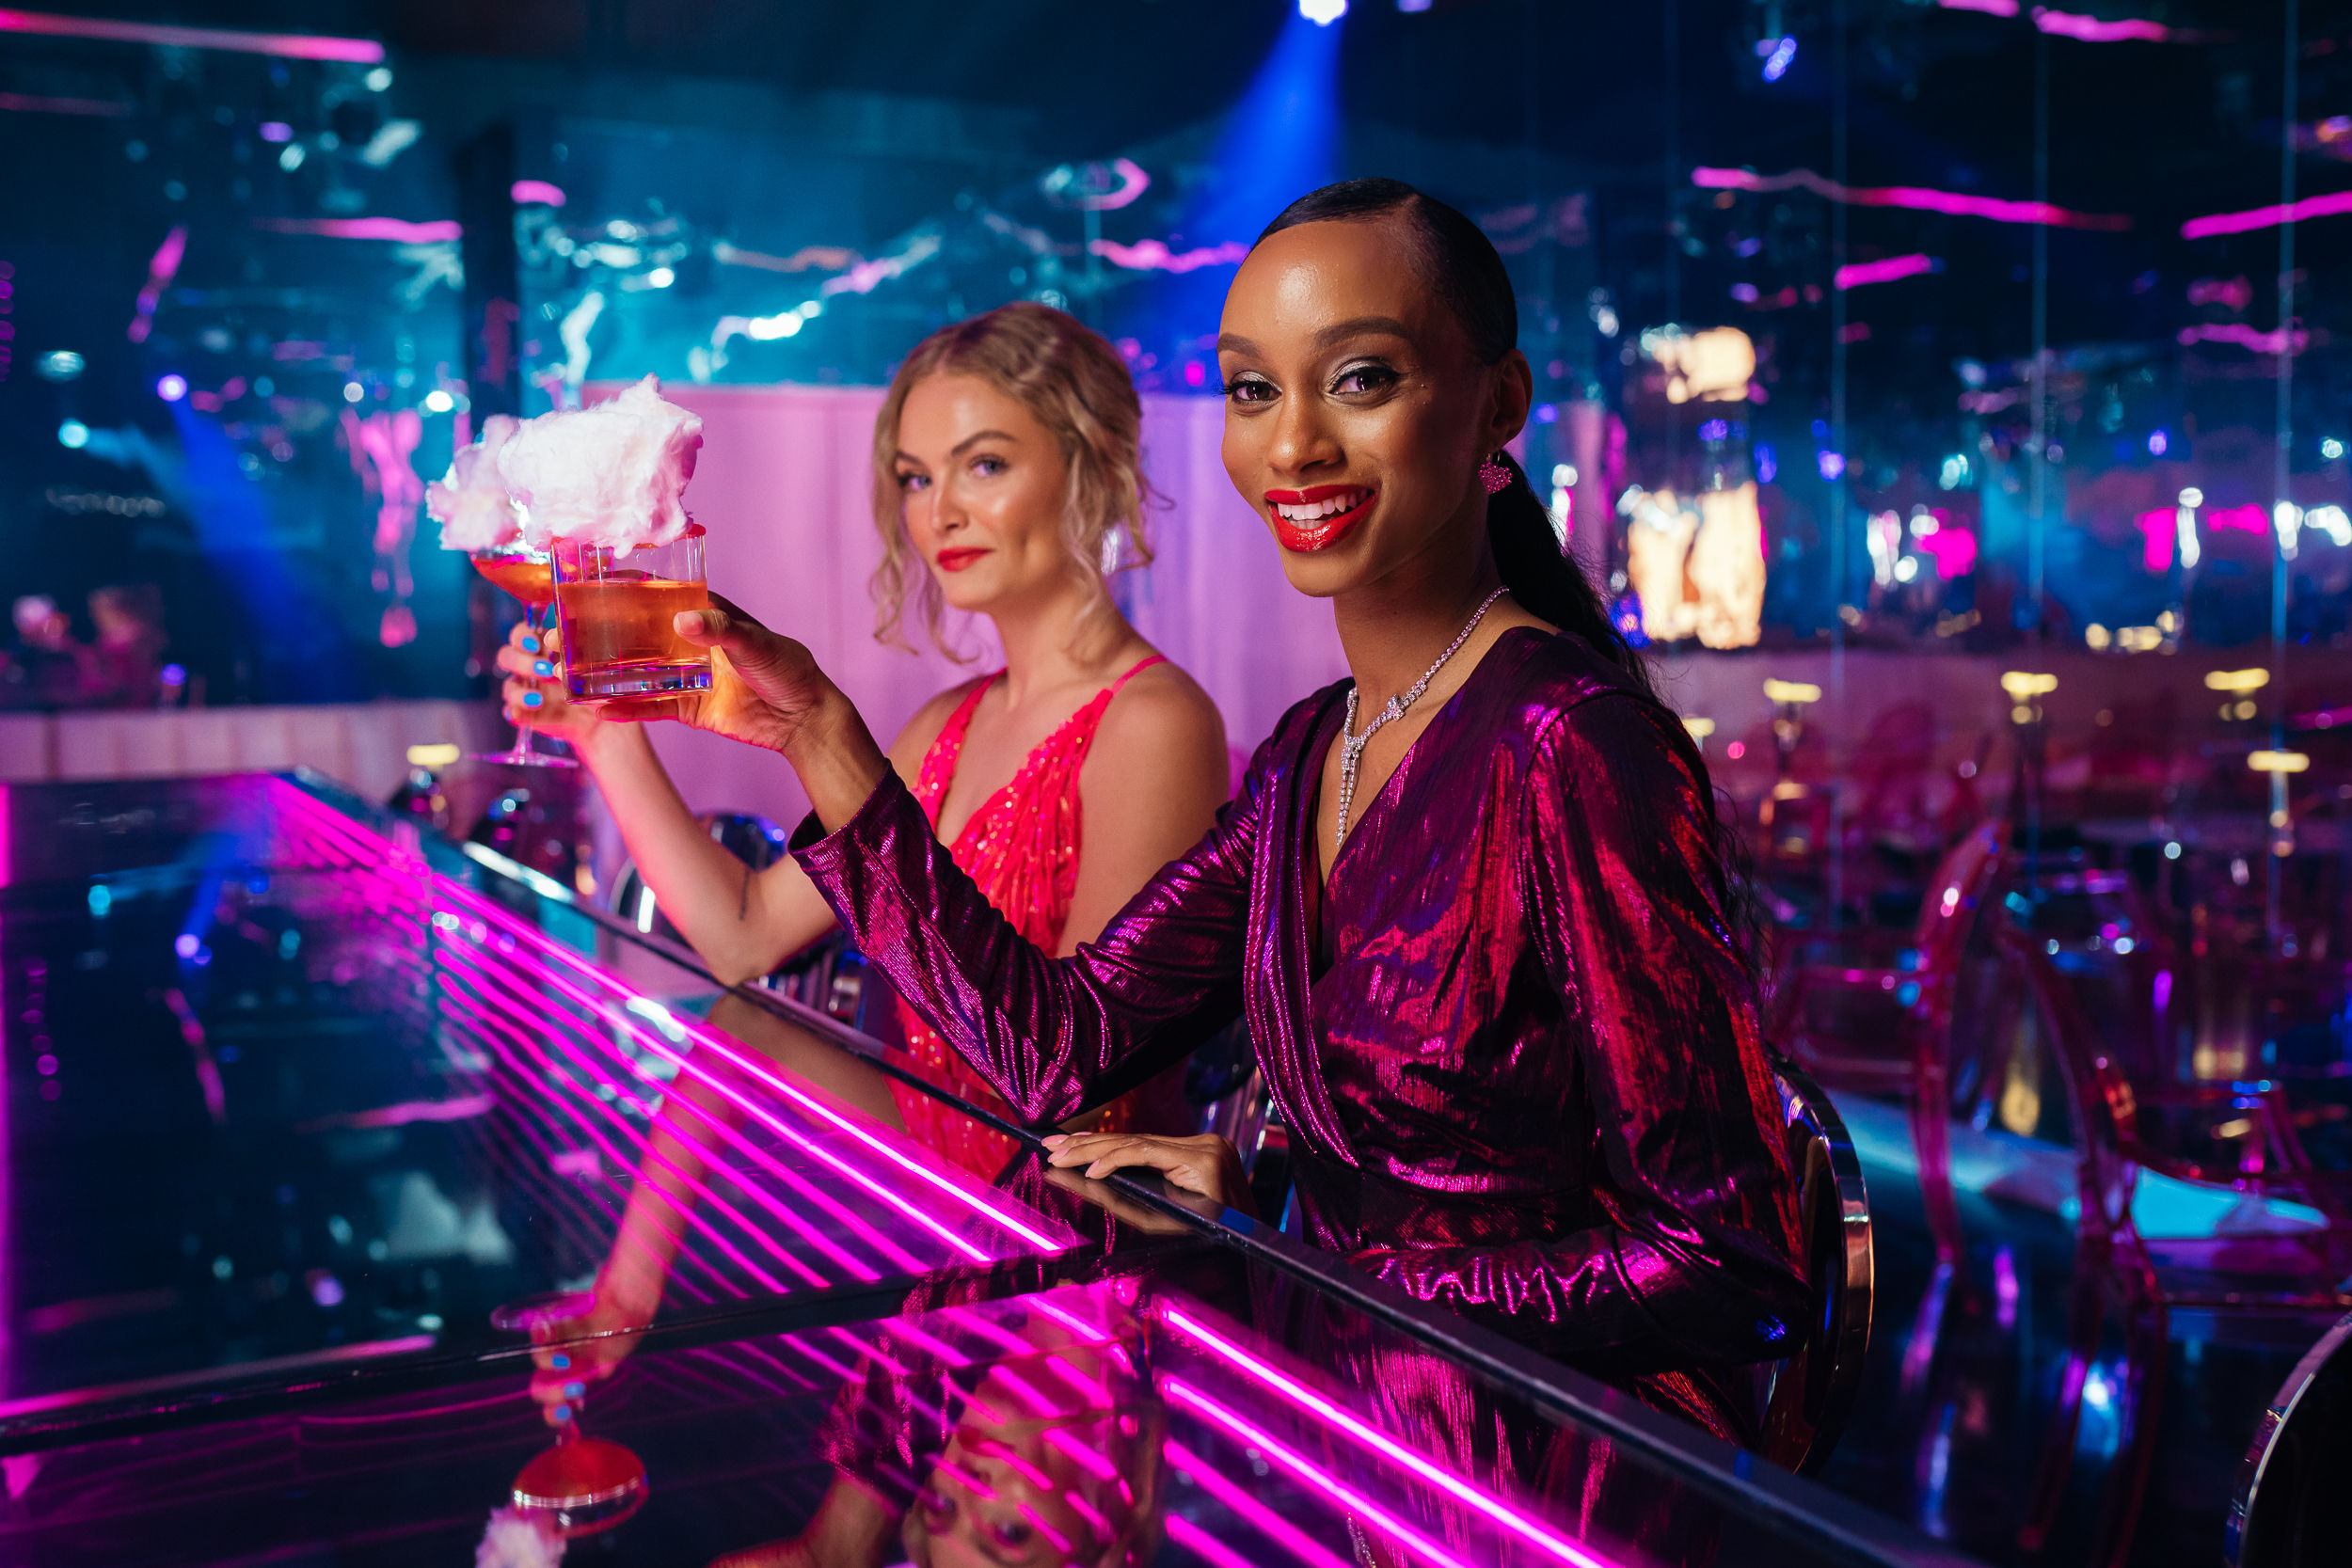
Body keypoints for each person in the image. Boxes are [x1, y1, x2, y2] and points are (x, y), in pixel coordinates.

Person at [614, 179, 1808, 1449]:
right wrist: (815, 731)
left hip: (1552, 1486)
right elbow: (1058, 1045)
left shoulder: (1569, 741)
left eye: (1360, 377)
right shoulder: (1311, 751)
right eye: (1252, 390)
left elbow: (1731, 1262)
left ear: (1495, 407)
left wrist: (1294, 1253)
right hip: (1362, 1446)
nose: (1292, 444)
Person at [499, 302, 1230, 1181]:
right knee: (731, 1038)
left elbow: (1080, 1086)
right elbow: (742, 938)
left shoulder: (1154, 720)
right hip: (942, 1179)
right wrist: (601, 735)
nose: (941, 512)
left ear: (1094, 465)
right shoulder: (944, 727)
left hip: (1073, 1209)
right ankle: (620, 1310)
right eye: (916, 478)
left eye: (984, 464)